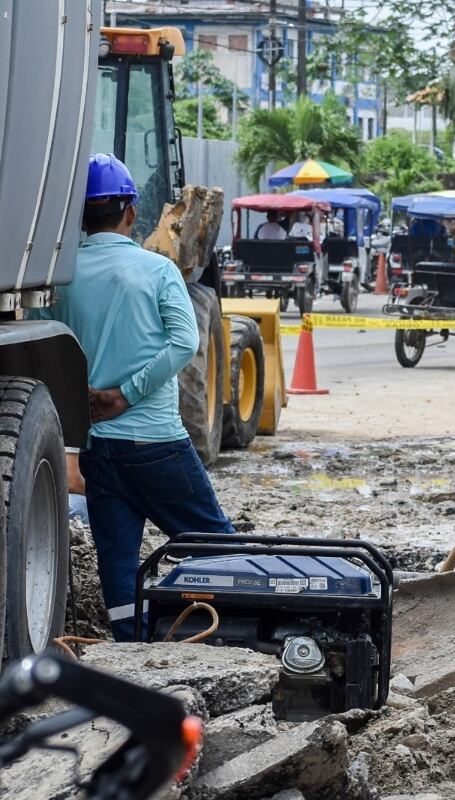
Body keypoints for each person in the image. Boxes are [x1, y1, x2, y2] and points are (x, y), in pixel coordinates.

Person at [32, 154, 234, 640]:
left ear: (81, 216)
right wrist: (126, 393)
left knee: (118, 566)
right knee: (221, 547)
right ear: (130, 210)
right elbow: (185, 342)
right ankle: (233, 628)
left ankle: (132, 645)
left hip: (98, 448)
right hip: (155, 444)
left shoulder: (61, 279)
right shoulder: (157, 269)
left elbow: (54, 351)